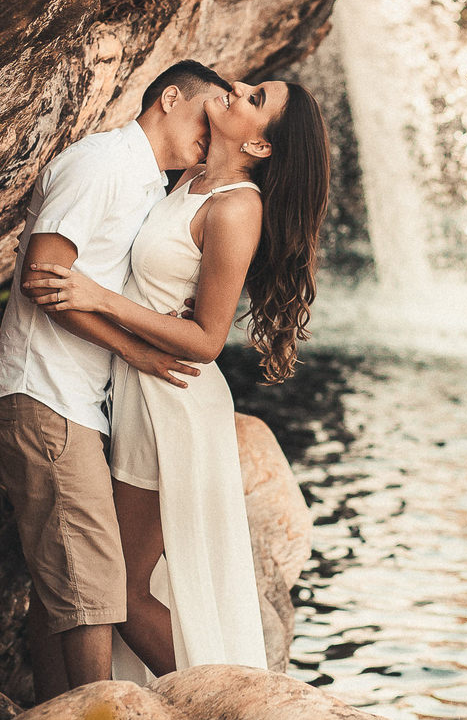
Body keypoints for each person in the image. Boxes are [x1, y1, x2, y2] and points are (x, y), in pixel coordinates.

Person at [22, 78, 330, 681]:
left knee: (121, 590)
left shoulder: (238, 205)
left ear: (262, 147)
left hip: (174, 402)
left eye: (256, 98)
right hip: (136, 390)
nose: (237, 87)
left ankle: (232, 707)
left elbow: (208, 340)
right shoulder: (188, 180)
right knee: (90, 575)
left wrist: (99, 298)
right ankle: (67, 715)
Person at [0, 61, 233, 701]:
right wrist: (136, 351)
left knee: (67, 585)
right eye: (207, 115)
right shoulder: (102, 164)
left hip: (75, 400)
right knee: (93, 586)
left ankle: (59, 719)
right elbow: (45, 275)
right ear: (169, 98)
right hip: (45, 391)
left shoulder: (149, 185)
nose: (214, 132)